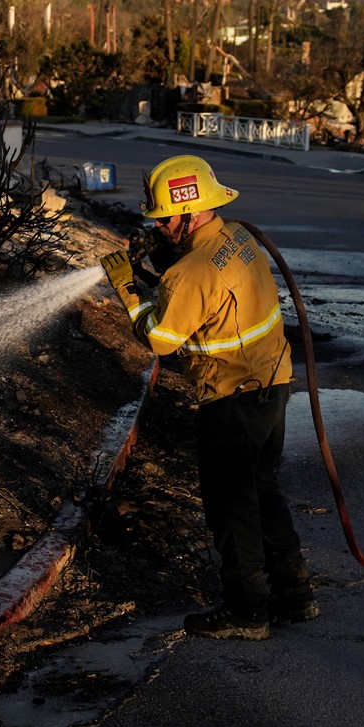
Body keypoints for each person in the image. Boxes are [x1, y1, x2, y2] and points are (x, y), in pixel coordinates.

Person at [101, 154, 317, 641]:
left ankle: (247, 610)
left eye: (164, 218)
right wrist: (150, 269)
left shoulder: (193, 271)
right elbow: (197, 296)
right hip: (271, 383)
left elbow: (161, 337)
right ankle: (296, 594)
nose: (158, 226)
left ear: (189, 211)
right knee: (262, 488)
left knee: (231, 505)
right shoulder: (235, 236)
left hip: (231, 397)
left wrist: (127, 290)